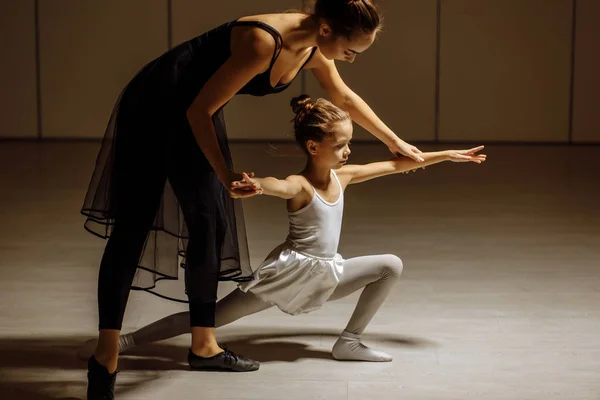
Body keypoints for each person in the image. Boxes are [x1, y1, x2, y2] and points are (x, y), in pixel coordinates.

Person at [81, 1, 426, 398]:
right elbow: (199, 111)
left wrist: (394, 141)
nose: (352, 59)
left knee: (208, 224)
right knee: (133, 227)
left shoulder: (314, 47)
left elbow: (344, 98)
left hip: (197, 109)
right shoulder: (264, 41)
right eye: (352, 50)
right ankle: (106, 353)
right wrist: (225, 174)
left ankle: (203, 344)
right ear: (328, 29)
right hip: (157, 105)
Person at [80, 95, 486, 365]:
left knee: (390, 265)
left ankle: (349, 342)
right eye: (342, 144)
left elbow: (398, 165)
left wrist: (447, 155)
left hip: (327, 271)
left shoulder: (344, 177)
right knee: (211, 317)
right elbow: (276, 185)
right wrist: (256, 185)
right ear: (314, 147)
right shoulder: (300, 184)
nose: (348, 151)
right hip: (290, 274)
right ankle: (124, 341)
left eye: (349, 144)